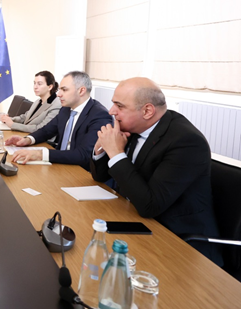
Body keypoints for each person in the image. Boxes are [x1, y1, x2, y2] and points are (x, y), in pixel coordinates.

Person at [90, 77, 223, 265]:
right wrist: (102, 148)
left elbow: (150, 206)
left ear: (147, 111)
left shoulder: (186, 142)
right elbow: (100, 176)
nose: (111, 111)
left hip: (180, 244)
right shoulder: (135, 127)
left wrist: (116, 152)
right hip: (133, 218)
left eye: (119, 106)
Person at [6, 71, 111, 170]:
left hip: (80, 171)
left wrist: (40, 154)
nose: (58, 94)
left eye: (64, 90)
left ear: (81, 91)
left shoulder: (99, 115)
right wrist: (28, 140)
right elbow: (47, 130)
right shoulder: (65, 109)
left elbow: (83, 154)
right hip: (60, 164)